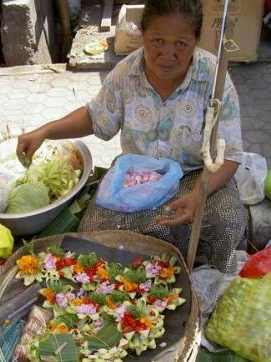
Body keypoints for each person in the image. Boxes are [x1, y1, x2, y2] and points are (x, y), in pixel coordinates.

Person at [17, 0, 247, 273]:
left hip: (198, 177)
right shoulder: (127, 73)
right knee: (93, 231)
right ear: (143, 34)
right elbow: (95, 116)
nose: (168, 54)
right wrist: (46, 131)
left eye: (181, 44)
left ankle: (201, 277)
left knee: (228, 223)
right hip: (138, 179)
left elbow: (230, 154)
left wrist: (199, 194)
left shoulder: (214, 78)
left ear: (196, 40)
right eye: (158, 40)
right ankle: (136, 280)